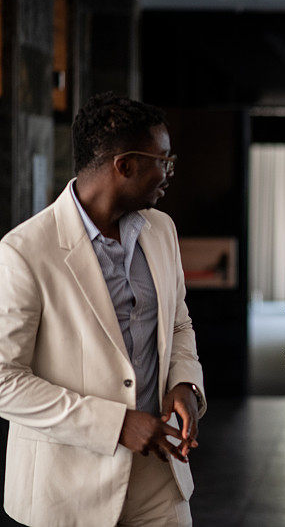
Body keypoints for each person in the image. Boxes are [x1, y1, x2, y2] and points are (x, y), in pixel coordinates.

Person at [0, 92, 206, 527]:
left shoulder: (161, 229)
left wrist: (184, 383)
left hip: (160, 476)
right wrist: (115, 425)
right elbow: (5, 382)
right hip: (67, 488)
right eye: (162, 160)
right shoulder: (25, 250)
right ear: (124, 166)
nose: (169, 172)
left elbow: (178, 322)